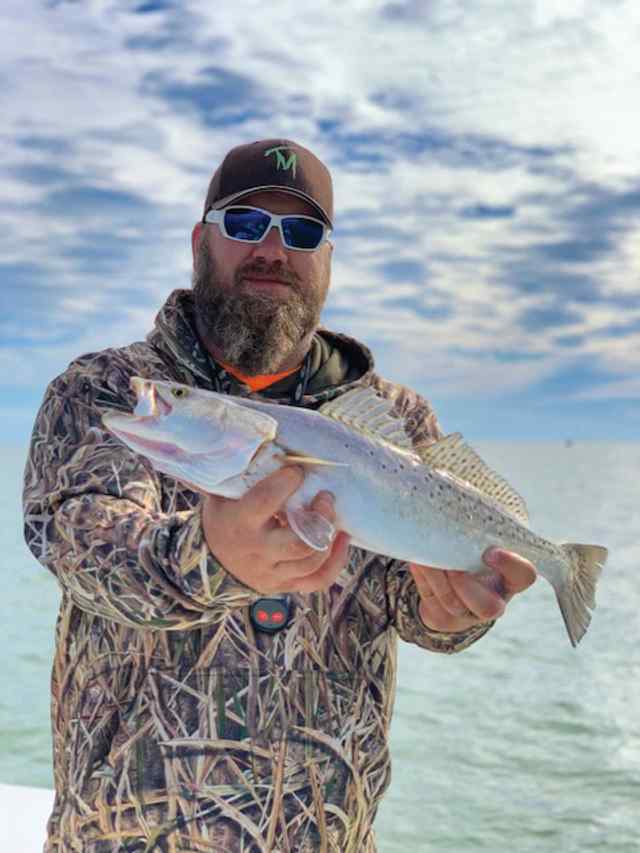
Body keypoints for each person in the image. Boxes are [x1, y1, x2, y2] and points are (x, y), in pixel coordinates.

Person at [23, 139, 536, 853]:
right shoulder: (114, 394)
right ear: (201, 240)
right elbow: (86, 544)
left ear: (326, 260)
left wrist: (454, 610)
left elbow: (417, 602)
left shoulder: (398, 423)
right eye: (244, 224)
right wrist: (211, 553)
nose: (273, 248)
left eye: (301, 233)